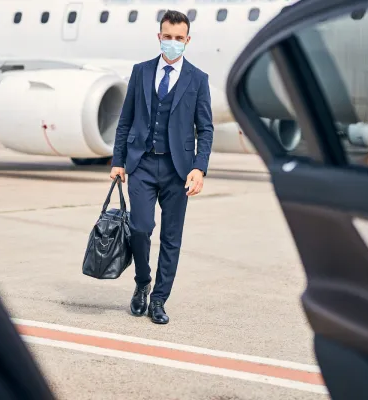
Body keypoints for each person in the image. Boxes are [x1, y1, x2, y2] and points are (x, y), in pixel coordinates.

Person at [110, 10, 214, 325]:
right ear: (159, 37)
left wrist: (200, 167)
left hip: (177, 170)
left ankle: (158, 300)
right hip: (141, 164)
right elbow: (125, 120)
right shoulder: (140, 72)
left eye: (178, 38)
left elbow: (205, 129)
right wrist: (118, 160)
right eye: (167, 37)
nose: (172, 43)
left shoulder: (198, 79)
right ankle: (143, 281)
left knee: (171, 237)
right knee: (140, 228)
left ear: (187, 40)